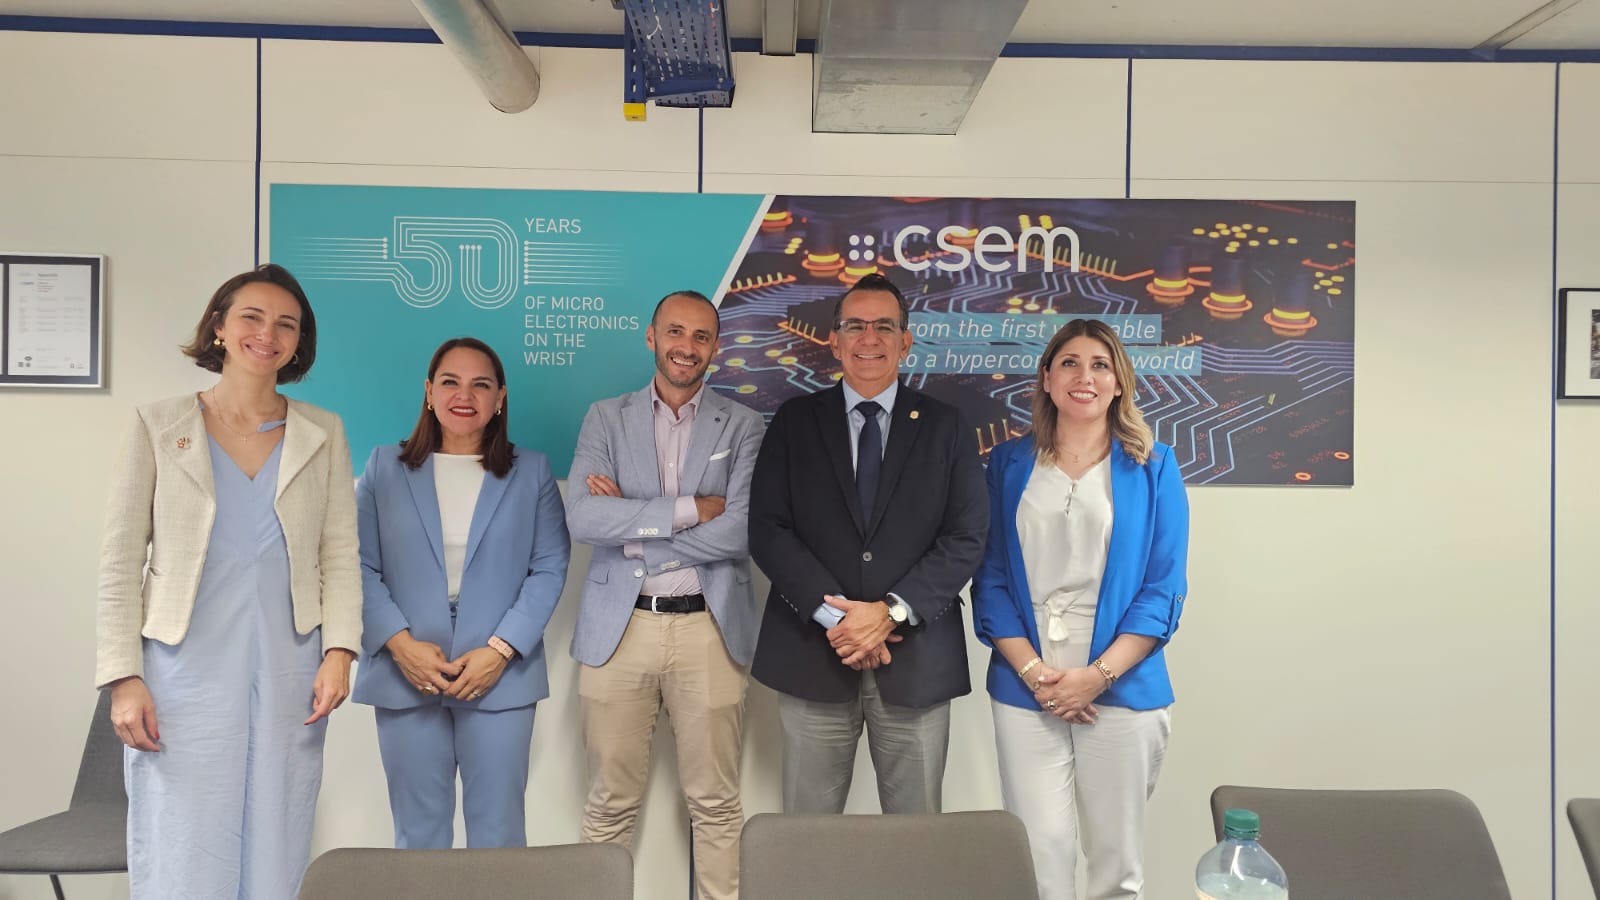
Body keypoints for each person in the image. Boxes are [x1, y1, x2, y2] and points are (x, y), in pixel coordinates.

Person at [96, 263, 362, 899]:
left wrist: (339, 652)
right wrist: (123, 677)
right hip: (182, 664)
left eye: (286, 324)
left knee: (279, 824)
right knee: (183, 828)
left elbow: (339, 553)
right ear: (219, 326)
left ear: (299, 342)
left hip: (290, 660)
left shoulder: (322, 432)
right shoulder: (158, 424)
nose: (268, 334)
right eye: (252, 316)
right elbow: (119, 559)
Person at [748, 272, 988, 815]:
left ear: (906, 340)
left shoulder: (947, 427)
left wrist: (890, 614)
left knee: (916, 839)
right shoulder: (794, 422)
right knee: (807, 836)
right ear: (834, 341)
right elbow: (768, 529)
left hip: (916, 662)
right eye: (855, 326)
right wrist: (843, 621)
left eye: (884, 326)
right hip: (814, 656)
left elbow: (966, 536)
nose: (869, 338)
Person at [972, 318, 1189, 900]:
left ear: (1119, 382)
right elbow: (990, 580)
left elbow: (1163, 589)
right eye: (1069, 363)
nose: (1084, 376)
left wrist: (1096, 677)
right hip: (1026, 681)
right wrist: (1034, 674)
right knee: (1038, 853)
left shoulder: (1154, 466)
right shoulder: (1006, 464)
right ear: (1047, 378)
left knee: (1115, 861)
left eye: (1100, 364)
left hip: (1122, 681)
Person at [566, 290, 765, 900]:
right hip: (620, 630)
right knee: (609, 801)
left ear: (716, 347)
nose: (687, 346)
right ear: (652, 336)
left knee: (716, 803)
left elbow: (741, 530)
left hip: (709, 627)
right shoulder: (606, 417)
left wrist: (636, 532)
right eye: (675, 332)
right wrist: (687, 509)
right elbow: (584, 517)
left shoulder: (744, 424)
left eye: (701, 336)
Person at [351, 336, 570, 849]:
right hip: (408, 672)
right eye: (450, 382)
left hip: (498, 674)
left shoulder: (532, 471)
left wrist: (500, 650)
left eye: (481, 385)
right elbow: (356, 564)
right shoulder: (383, 467)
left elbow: (549, 567)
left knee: (498, 833)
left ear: (500, 398)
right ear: (429, 392)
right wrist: (401, 646)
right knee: (419, 834)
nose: (464, 395)